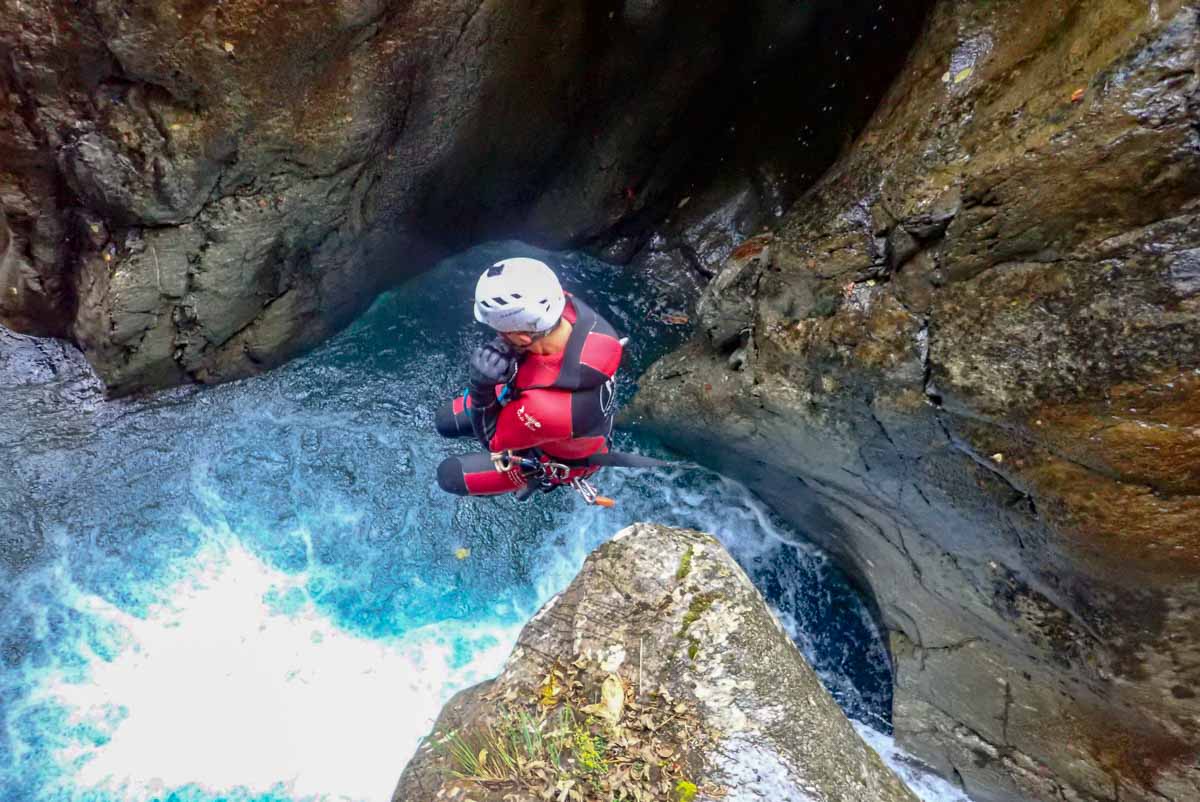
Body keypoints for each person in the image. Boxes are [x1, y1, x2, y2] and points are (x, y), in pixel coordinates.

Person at [434, 257, 623, 500]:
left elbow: (493, 440)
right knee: (444, 420)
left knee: (448, 475)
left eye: (500, 332)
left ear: (523, 338)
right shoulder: (573, 313)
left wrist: (481, 387)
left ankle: (533, 479)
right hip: (556, 413)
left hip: (551, 453)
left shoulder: (546, 409)